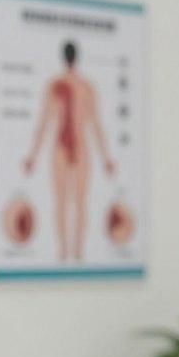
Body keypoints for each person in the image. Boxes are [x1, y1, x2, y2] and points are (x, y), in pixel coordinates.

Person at [23, 40, 116, 262]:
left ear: (63, 57)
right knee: (71, 202)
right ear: (77, 57)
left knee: (68, 202)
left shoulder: (72, 86)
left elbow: (44, 124)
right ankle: (70, 251)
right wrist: (106, 159)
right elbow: (95, 125)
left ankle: (72, 251)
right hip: (67, 147)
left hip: (71, 148)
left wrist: (32, 157)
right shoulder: (76, 86)